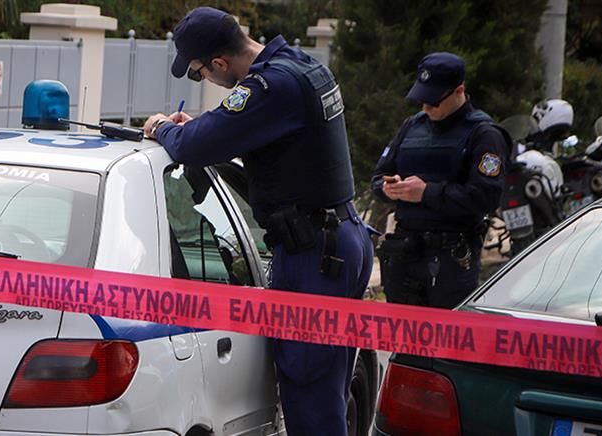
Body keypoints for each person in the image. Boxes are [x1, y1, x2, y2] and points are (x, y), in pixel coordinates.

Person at [143, 7, 373, 436]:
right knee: (327, 394)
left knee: (311, 397)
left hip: (313, 255)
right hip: (338, 240)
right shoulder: (301, 66)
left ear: (218, 63)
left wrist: (161, 128)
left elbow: (194, 148)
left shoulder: (269, 87)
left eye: (198, 73)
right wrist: (207, 128)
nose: (203, 80)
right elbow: (261, 135)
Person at [371, 52, 509, 309]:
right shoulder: (411, 127)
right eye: (422, 100)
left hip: (451, 258)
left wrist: (426, 193)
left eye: (434, 102)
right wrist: (389, 188)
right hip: (404, 252)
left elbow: (486, 197)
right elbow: (378, 179)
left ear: (459, 91)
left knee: (446, 334)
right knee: (402, 332)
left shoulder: (484, 135)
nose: (426, 108)